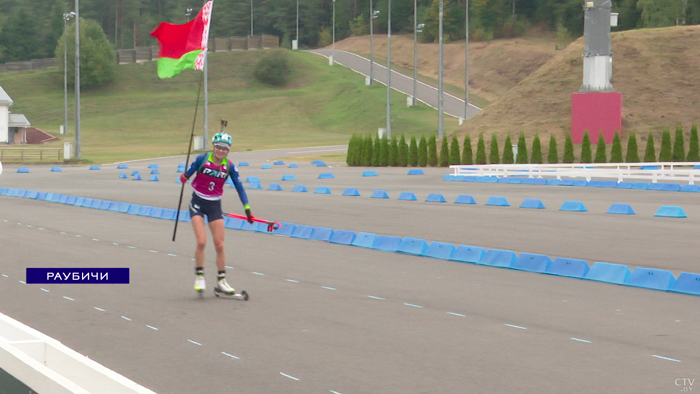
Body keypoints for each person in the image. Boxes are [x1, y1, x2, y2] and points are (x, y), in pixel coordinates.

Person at [180, 132, 254, 296]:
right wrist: (184, 177)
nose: (221, 151)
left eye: (225, 148)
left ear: (228, 150)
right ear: (214, 146)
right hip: (198, 202)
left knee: (219, 245)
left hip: (214, 205)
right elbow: (187, 175)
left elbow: (240, 188)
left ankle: (222, 281)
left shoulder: (230, 166)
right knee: (201, 242)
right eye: (218, 147)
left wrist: (247, 209)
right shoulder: (202, 160)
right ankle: (199, 275)